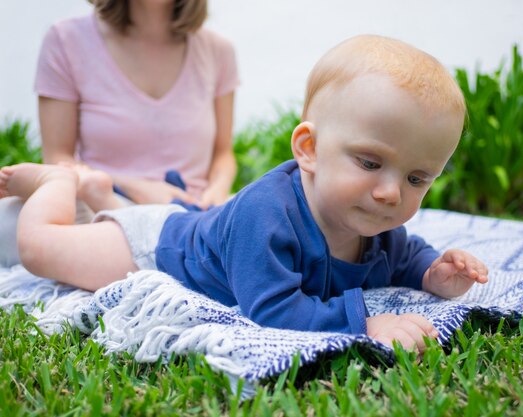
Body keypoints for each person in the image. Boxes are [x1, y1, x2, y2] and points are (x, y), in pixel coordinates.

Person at [0, 35, 488, 352]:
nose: (390, 193)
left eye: (416, 178)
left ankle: (103, 194)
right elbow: (272, 309)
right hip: (155, 250)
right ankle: (57, 183)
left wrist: (433, 273)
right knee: (41, 249)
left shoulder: (374, 221)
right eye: (369, 162)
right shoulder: (267, 213)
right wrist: (364, 324)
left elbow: (402, 257)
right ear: (310, 149)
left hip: (189, 219)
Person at [0, 0, 239, 266]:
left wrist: (216, 192)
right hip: (96, 203)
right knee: (9, 219)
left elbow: (223, 153)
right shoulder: (66, 40)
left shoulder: (218, 51)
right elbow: (58, 157)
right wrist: (135, 186)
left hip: (189, 208)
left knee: (251, 224)